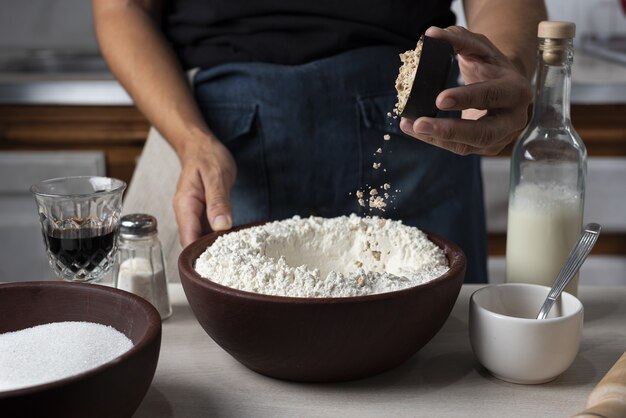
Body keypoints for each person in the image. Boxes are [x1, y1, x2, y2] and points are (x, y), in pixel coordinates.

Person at [92, 0, 546, 283]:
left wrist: (506, 63)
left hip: (415, 134)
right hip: (220, 145)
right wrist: (192, 141)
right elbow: (121, 7)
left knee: (439, 362)